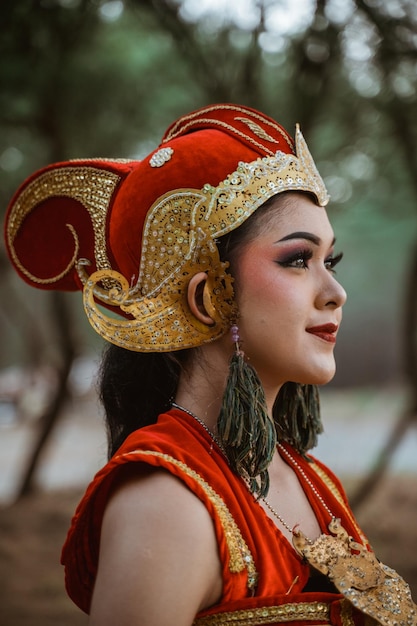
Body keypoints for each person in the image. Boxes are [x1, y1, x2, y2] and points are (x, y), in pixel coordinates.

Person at [4, 103, 416, 626]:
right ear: (208, 298)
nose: (336, 293)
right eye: (297, 260)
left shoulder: (313, 479)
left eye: (329, 261)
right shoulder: (165, 503)